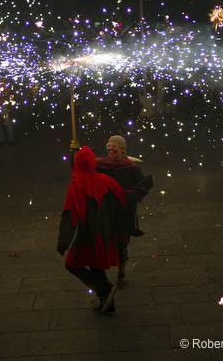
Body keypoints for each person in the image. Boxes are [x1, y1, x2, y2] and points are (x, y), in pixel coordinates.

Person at [57, 146, 153, 315]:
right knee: (95, 266)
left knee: (71, 265)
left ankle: (105, 289)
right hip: (106, 233)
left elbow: (70, 214)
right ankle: (108, 304)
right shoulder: (105, 179)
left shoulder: (76, 184)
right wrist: (145, 184)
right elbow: (125, 196)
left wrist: (63, 242)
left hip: (87, 236)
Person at [95, 135, 147, 289]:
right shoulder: (100, 164)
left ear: (122, 149)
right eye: (108, 144)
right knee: (101, 245)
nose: (110, 148)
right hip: (103, 212)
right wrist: (74, 154)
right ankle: (102, 277)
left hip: (123, 214)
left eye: (114, 145)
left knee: (121, 246)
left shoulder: (130, 168)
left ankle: (121, 273)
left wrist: (132, 197)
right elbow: (81, 169)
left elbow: (141, 186)